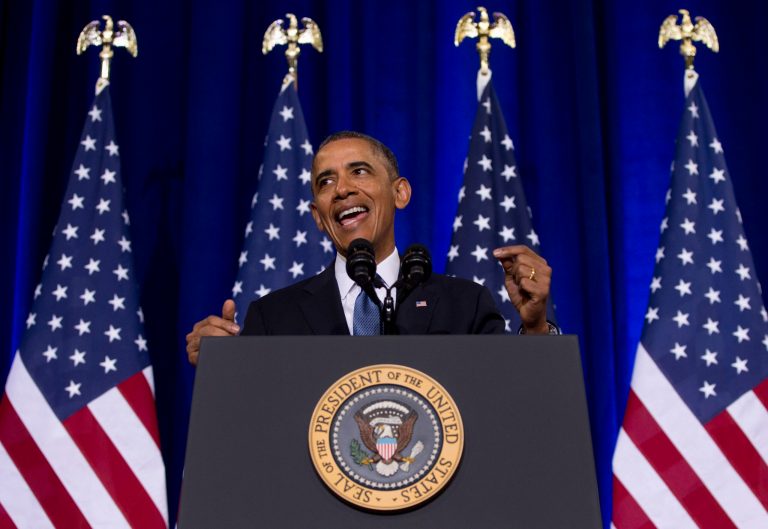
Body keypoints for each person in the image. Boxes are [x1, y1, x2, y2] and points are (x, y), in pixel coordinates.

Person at [186, 131, 553, 365]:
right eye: (326, 181)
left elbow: (515, 408)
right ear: (317, 216)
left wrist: (535, 327)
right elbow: (251, 429)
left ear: (400, 193)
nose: (342, 189)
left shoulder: (464, 305)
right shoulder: (273, 317)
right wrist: (220, 371)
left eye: (359, 172)